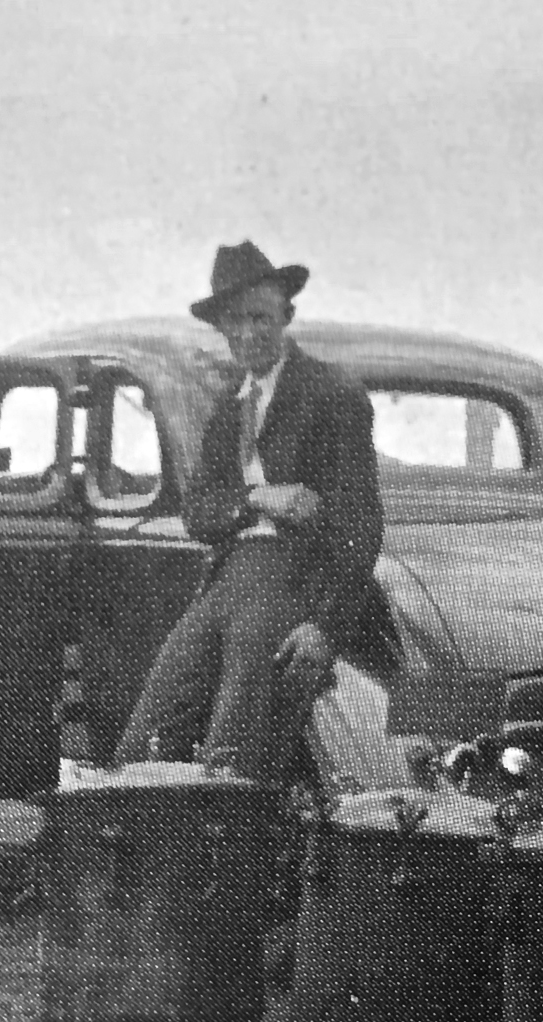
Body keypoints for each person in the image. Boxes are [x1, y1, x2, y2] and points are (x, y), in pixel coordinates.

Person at [115, 241, 383, 780]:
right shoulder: (233, 404)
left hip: (290, 584)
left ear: (287, 316)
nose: (247, 334)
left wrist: (325, 629)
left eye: (260, 317)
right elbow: (199, 513)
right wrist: (261, 497)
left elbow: (361, 526)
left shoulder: (332, 395)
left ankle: (233, 858)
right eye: (233, 323)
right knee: (145, 744)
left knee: (235, 760)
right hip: (226, 583)